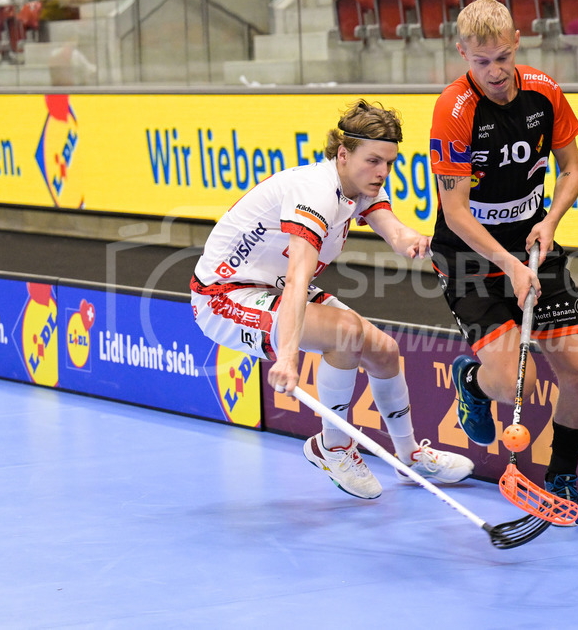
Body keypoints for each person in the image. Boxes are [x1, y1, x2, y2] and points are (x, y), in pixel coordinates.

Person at [191, 100, 473, 500]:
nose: (383, 172)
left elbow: (394, 231)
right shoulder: (316, 193)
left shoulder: (358, 186)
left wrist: (419, 242)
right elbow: (298, 277)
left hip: (270, 286)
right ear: (343, 153)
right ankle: (333, 446)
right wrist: (287, 357)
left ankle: (409, 457)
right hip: (224, 296)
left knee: (384, 350)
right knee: (345, 334)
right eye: (374, 161)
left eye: (389, 163)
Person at [429, 0, 578, 523]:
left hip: (532, 243)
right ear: (462, 54)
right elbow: (454, 212)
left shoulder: (544, 92)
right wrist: (511, 264)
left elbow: (572, 169)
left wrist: (549, 224)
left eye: (503, 57)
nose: (496, 72)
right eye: (482, 62)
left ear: (517, 41)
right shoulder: (453, 111)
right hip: (470, 256)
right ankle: (472, 382)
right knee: (511, 385)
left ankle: (562, 480)